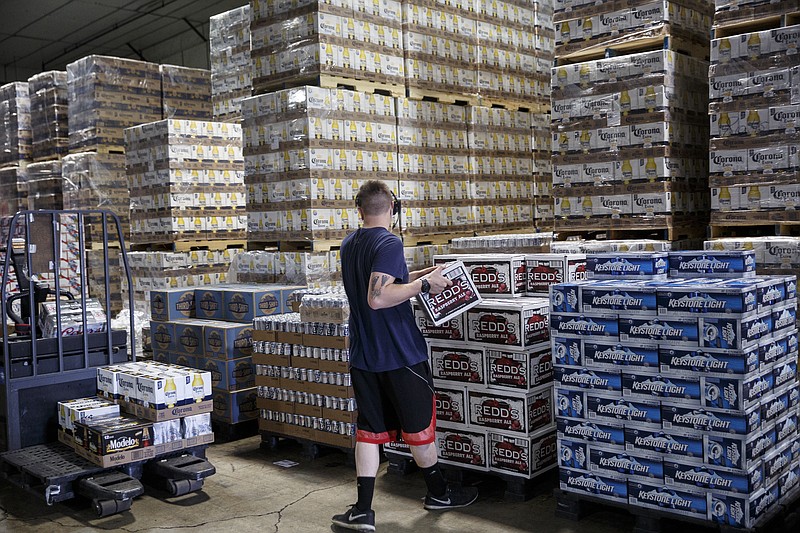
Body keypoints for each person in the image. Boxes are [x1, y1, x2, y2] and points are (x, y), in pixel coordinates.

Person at [332, 180, 478, 531]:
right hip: (400, 354)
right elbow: (378, 296)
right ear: (393, 209)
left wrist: (420, 274)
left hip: (364, 356)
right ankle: (438, 492)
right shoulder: (389, 241)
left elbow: (384, 281)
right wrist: (424, 286)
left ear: (359, 209)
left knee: (368, 431)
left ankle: (363, 511)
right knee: (419, 427)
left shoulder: (350, 243)